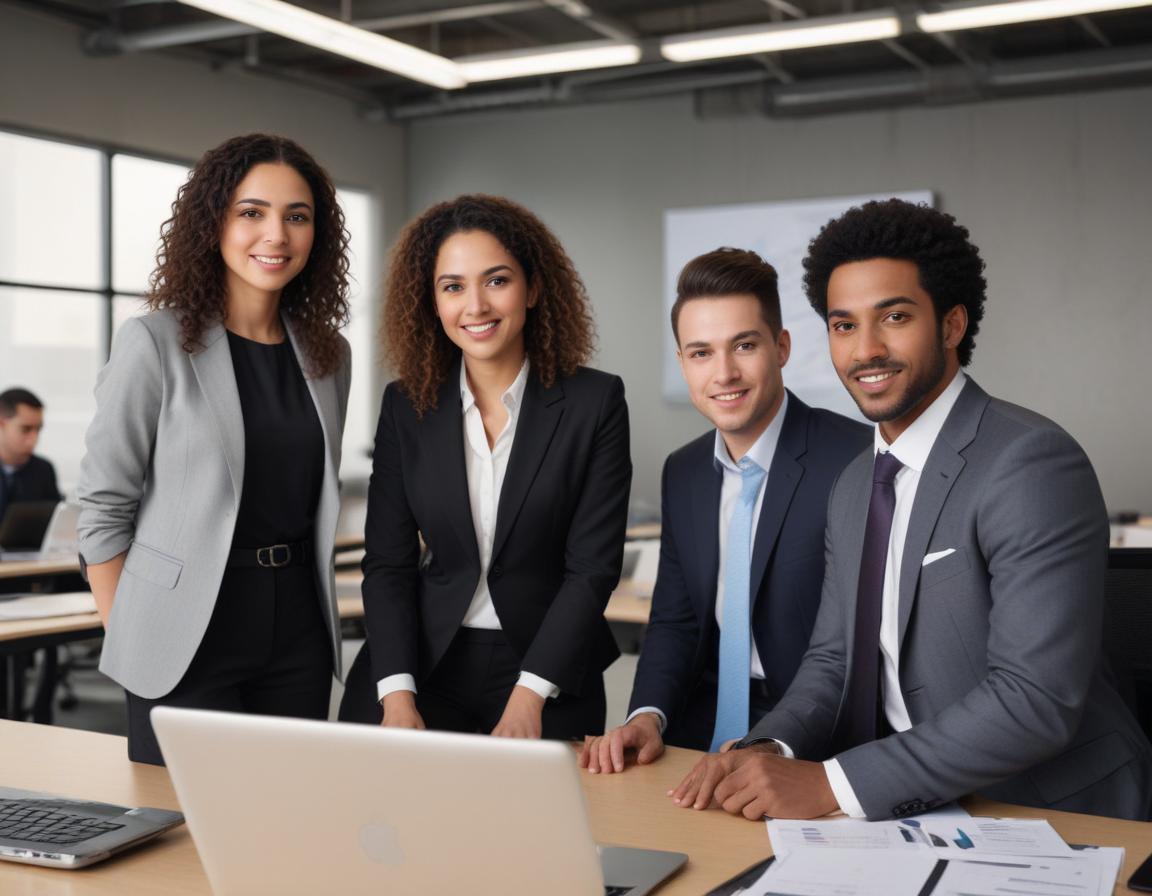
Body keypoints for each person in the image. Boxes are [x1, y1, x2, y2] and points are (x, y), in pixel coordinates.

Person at [670, 199, 1152, 821]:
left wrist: (832, 785)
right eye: (844, 326)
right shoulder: (854, 483)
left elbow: (1034, 698)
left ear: (952, 325)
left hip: (1045, 809)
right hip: (909, 804)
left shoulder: (1029, 462)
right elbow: (833, 659)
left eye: (894, 317)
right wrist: (769, 746)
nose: (866, 349)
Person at [76, 134, 353, 765]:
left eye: (297, 216)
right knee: (181, 840)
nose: (275, 235)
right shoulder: (154, 342)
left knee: (286, 827)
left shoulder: (329, 355)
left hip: (298, 629)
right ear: (215, 222)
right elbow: (103, 506)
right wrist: (133, 635)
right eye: (251, 212)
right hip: (180, 630)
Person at [339, 194, 631, 740]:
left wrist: (529, 698)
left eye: (496, 280)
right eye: (452, 286)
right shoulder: (407, 405)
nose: (474, 305)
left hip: (546, 665)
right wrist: (398, 697)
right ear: (432, 301)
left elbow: (591, 569)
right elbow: (387, 564)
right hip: (424, 660)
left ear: (534, 288)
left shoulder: (596, 402)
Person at [579, 249, 868, 773]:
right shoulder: (684, 471)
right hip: (698, 735)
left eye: (744, 345)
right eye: (701, 353)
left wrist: (773, 745)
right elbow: (674, 620)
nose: (724, 373)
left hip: (818, 743)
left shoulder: (855, 460)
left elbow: (856, 646)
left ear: (781, 347)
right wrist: (648, 716)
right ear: (683, 362)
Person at [0, 388, 60, 525]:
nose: (34, 439)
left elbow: (54, 523)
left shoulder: (44, 470)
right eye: (25, 429)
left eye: (38, 430)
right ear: (1, 424)